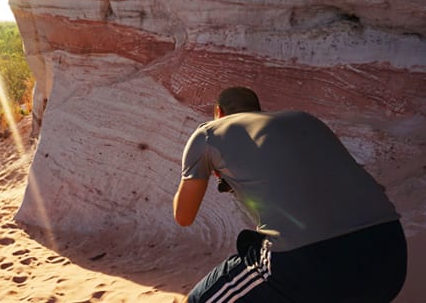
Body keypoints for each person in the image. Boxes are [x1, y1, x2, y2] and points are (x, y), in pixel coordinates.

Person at [174, 86, 406, 302]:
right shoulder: (304, 119)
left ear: (218, 112)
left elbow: (183, 216)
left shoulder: (208, 134)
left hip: (308, 264)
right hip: (389, 256)